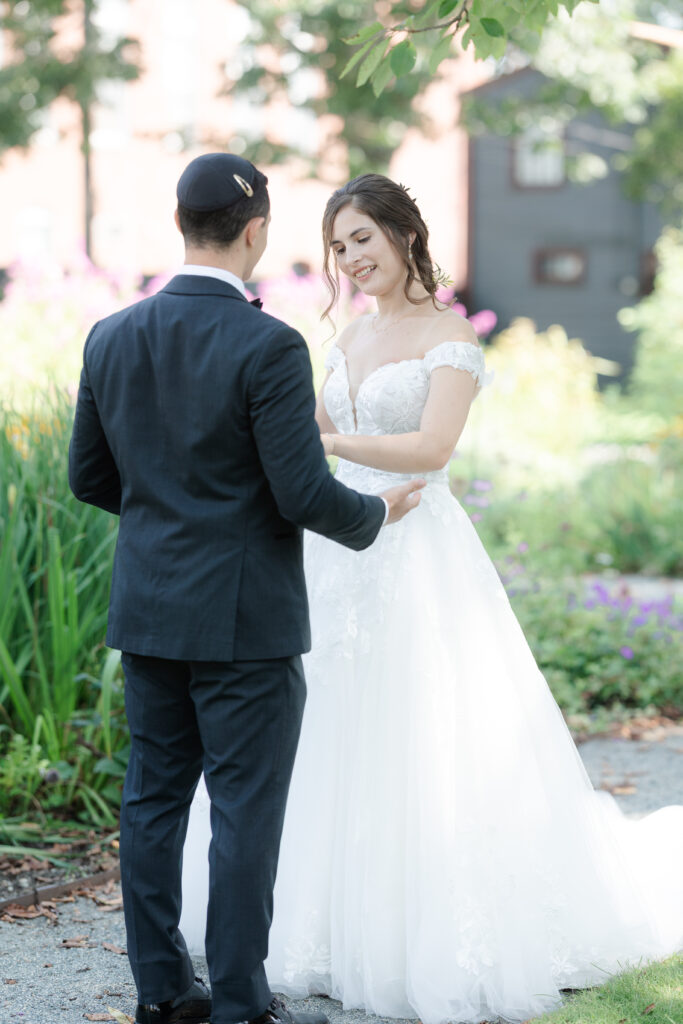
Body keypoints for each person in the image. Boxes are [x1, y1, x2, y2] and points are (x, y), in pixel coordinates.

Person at [180, 173, 683, 1024]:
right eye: (338, 247)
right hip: (335, 547)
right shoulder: (339, 340)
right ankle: (312, 924)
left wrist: (329, 440)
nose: (349, 260)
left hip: (417, 549)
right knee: (318, 728)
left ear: (403, 235)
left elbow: (433, 444)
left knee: (420, 728)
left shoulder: (450, 337)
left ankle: (421, 926)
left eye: (361, 240)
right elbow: (294, 438)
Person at [68, 156, 425, 1024]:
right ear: (256, 230)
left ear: (180, 226)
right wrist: (377, 516)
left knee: (152, 802)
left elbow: (88, 477)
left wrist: (168, 521)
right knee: (243, 811)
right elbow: (301, 492)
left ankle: (162, 994)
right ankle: (238, 999)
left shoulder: (110, 335)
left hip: (149, 608)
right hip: (246, 623)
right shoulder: (267, 344)